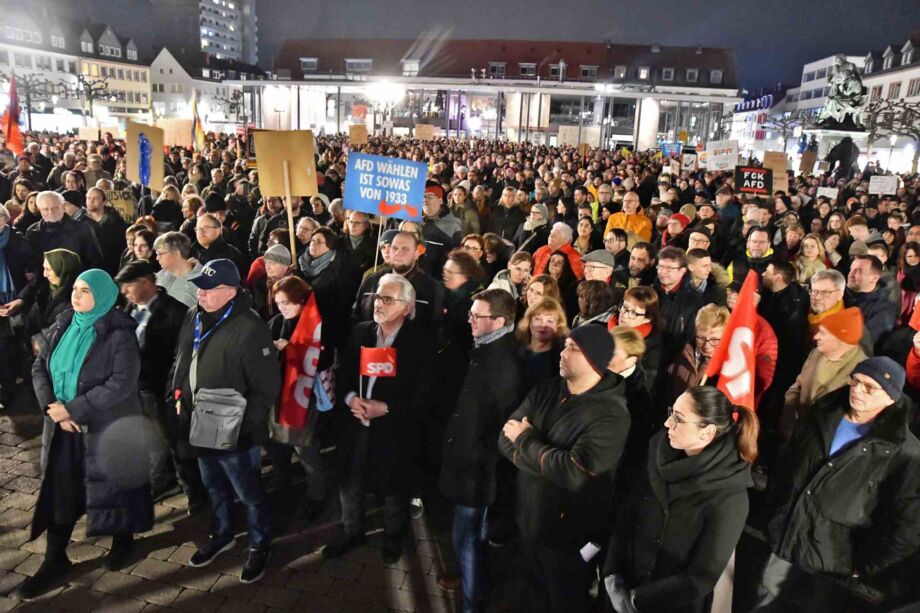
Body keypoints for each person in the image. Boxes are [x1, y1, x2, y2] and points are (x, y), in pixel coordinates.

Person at [19, 269, 153, 599]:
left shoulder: (118, 332)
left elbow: (122, 382)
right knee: (61, 489)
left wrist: (75, 409)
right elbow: (40, 367)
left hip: (105, 426)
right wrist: (54, 408)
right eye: (76, 289)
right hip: (63, 425)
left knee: (113, 485)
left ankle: (123, 540)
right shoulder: (64, 323)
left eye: (85, 291)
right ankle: (55, 558)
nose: (77, 296)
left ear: (103, 296)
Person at [755, 357, 920, 612]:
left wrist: (864, 565)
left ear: (891, 398)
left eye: (870, 387)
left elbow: (906, 524)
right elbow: (788, 463)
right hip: (787, 539)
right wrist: (776, 513)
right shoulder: (822, 415)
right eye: (856, 381)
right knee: (765, 602)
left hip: (833, 562)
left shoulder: (904, 453)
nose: (858, 390)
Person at [499, 325, 630, 613]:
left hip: (570, 539)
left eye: (573, 348)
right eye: (566, 345)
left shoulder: (611, 415)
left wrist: (525, 439)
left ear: (594, 360)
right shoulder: (547, 388)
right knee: (532, 595)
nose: (563, 352)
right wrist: (546, 461)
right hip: (530, 520)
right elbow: (504, 437)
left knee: (563, 601)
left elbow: (573, 475)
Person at [170, 259, 280, 583]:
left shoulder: (250, 325)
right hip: (198, 419)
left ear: (229, 292)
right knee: (213, 484)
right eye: (199, 287)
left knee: (247, 490)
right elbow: (182, 359)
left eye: (207, 289)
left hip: (233, 425)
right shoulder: (194, 315)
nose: (199, 294)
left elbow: (266, 384)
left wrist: (245, 426)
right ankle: (222, 532)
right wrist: (176, 393)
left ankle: (260, 544)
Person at [604, 387, 758, 613]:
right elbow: (627, 516)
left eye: (678, 419)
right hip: (622, 592)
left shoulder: (731, 496)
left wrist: (636, 600)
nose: (667, 424)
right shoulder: (656, 453)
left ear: (707, 432)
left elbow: (701, 577)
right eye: (671, 413)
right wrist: (612, 575)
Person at [324, 274, 436, 563]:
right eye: (377, 297)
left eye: (388, 299)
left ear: (407, 308)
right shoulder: (360, 332)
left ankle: (392, 536)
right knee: (350, 483)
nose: (379, 303)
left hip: (394, 430)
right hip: (356, 424)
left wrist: (384, 408)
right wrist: (351, 400)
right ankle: (352, 531)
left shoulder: (420, 343)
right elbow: (344, 375)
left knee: (393, 489)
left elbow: (425, 396)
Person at [437, 289, 525, 612]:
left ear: (499, 321)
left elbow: (497, 425)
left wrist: (472, 454)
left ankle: (472, 603)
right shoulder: (485, 349)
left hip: (476, 470)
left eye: (477, 316)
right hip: (468, 464)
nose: (470, 320)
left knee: (468, 540)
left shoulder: (503, 364)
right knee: (469, 536)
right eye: (471, 314)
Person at [114, 261, 205, 509]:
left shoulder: (175, 312)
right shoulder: (131, 307)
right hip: (139, 388)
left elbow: (183, 354)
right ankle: (162, 479)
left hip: (164, 389)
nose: (124, 292)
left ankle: (195, 491)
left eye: (128, 286)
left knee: (178, 443)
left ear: (147, 282)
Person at [265, 275, 330, 520]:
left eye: (286, 303)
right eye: (278, 303)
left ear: (301, 301)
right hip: (279, 394)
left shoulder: (317, 324)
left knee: (306, 450)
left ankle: (317, 495)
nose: (282, 308)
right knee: (277, 444)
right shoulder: (276, 322)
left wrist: (289, 349)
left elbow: (324, 359)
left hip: (304, 397)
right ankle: (284, 485)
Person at [780, 307, 867, 440]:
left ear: (841, 338)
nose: (816, 337)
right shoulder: (816, 353)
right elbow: (797, 388)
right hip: (795, 434)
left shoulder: (862, 372)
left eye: (823, 333)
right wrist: (788, 425)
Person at [353, 231, 446, 335]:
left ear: (416, 253)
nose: (398, 253)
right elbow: (357, 315)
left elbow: (434, 327)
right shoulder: (371, 281)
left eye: (405, 249)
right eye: (394, 248)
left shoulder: (432, 288)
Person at [661, 304, 730, 411]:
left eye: (715, 340)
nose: (706, 345)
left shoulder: (728, 365)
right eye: (701, 337)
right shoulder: (677, 351)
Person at [25, 191, 102, 270]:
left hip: (76, 279)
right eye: (45, 209)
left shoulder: (82, 229)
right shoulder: (32, 232)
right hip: (44, 280)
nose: (51, 212)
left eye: (55, 208)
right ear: (39, 209)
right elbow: (32, 263)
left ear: (63, 206)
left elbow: (95, 261)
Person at [654, 246, 706, 363]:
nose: (663, 272)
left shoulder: (694, 301)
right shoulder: (649, 292)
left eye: (669, 268)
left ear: (682, 271)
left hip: (672, 360)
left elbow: (689, 336)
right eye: (661, 267)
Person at [845, 254, 899, 347]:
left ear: (874, 278)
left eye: (858, 271)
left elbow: (866, 341)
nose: (850, 275)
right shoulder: (839, 293)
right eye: (851, 269)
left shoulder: (885, 308)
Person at [517, 297, 569, 389]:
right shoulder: (515, 347)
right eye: (538, 319)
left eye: (549, 321)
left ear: (558, 326)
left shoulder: (560, 359)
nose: (543, 325)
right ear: (529, 321)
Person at [154, 231, 203, 308]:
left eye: (160, 254)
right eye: (157, 254)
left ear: (177, 254)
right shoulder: (158, 276)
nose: (157, 258)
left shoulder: (202, 281)